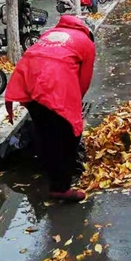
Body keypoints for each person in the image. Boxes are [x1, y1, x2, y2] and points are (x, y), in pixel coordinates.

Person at [5, 15, 96, 202]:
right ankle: (60, 187)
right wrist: (73, 108)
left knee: (44, 128)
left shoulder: (50, 33)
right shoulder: (87, 42)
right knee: (70, 134)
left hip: (27, 82)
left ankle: (48, 167)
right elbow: (84, 81)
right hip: (53, 86)